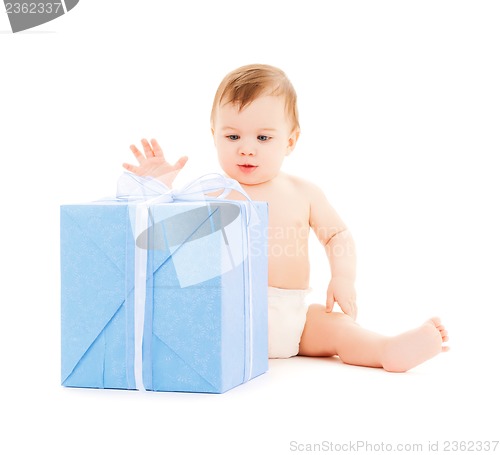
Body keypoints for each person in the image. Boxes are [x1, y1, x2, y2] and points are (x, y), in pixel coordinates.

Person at [123, 63, 449, 372]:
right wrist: (157, 189)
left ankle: (386, 350)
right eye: (232, 136)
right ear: (214, 135)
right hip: (229, 315)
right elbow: (160, 244)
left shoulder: (302, 192)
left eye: (263, 138)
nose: (246, 149)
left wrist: (343, 278)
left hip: (293, 318)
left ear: (290, 141)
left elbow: (338, 236)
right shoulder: (209, 193)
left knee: (334, 326)